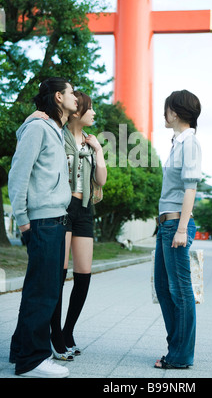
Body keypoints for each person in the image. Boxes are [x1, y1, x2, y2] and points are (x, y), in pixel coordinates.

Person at [8, 77, 78, 378]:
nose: (77, 98)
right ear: (59, 97)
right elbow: (18, 174)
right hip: (42, 221)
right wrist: (22, 220)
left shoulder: (53, 129)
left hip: (53, 219)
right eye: (72, 93)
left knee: (41, 288)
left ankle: (20, 352)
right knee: (43, 292)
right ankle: (32, 360)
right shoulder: (37, 128)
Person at [32, 91, 107, 361]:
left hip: (85, 209)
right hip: (62, 207)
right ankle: (55, 336)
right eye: (90, 109)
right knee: (58, 274)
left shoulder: (91, 142)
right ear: (77, 112)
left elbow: (101, 179)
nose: (94, 113)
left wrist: (98, 150)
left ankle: (68, 331)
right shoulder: (57, 135)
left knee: (83, 274)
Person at [154, 89, 202, 369]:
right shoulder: (177, 142)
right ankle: (176, 347)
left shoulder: (190, 143)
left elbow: (191, 187)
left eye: (167, 109)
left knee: (180, 291)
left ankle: (181, 356)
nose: (164, 113)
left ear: (176, 112)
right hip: (167, 225)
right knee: (163, 288)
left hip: (176, 225)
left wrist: (182, 228)